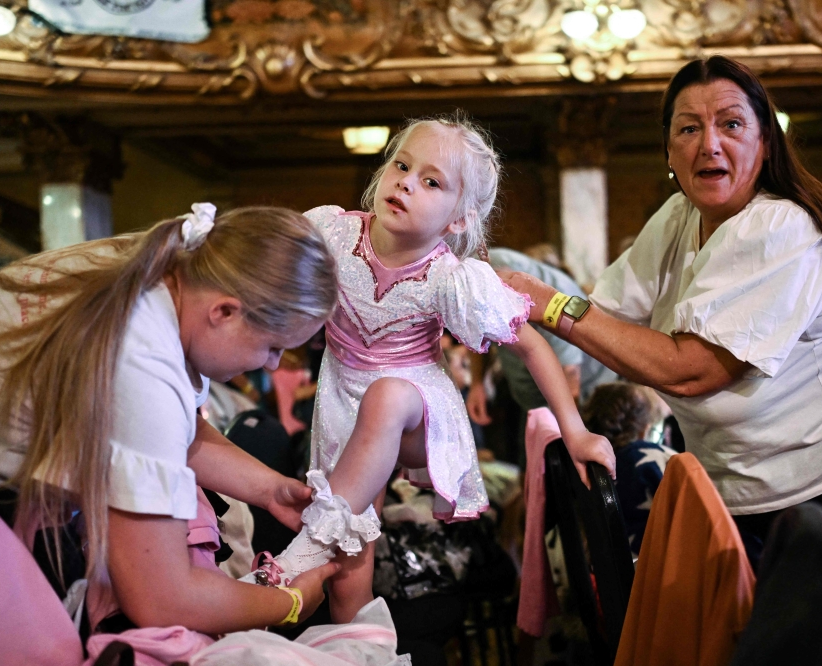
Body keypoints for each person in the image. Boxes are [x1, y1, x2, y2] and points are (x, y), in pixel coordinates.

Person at [500, 55, 822, 573]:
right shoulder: (679, 216)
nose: (709, 143)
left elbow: (692, 370)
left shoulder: (781, 229)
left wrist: (551, 303)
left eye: (731, 124)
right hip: (741, 490)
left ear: (764, 143)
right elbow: (605, 318)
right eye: (689, 128)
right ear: (669, 151)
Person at [251, 114, 616, 623]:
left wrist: (574, 431)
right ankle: (356, 648)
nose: (405, 181)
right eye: (402, 165)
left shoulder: (451, 278)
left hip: (416, 411)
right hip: (341, 403)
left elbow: (531, 346)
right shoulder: (332, 234)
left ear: (458, 219)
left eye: (431, 182)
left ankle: (303, 549)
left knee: (388, 395)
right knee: (352, 551)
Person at [0, 204, 342, 634]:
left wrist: (271, 490)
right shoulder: (140, 361)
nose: (275, 366)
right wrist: (288, 603)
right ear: (224, 312)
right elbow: (162, 600)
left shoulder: (174, 266)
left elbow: (176, 428)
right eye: (273, 346)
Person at [466, 247, 616, 465]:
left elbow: (569, 379)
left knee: (567, 467)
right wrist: (478, 382)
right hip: (531, 394)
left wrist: (574, 435)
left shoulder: (553, 299)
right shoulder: (476, 273)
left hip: (580, 393)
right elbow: (478, 326)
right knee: (531, 467)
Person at [581, 382, 676, 556]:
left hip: (610, 570)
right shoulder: (651, 460)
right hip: (658, 568)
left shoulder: (584, 468)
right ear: (644, 430)